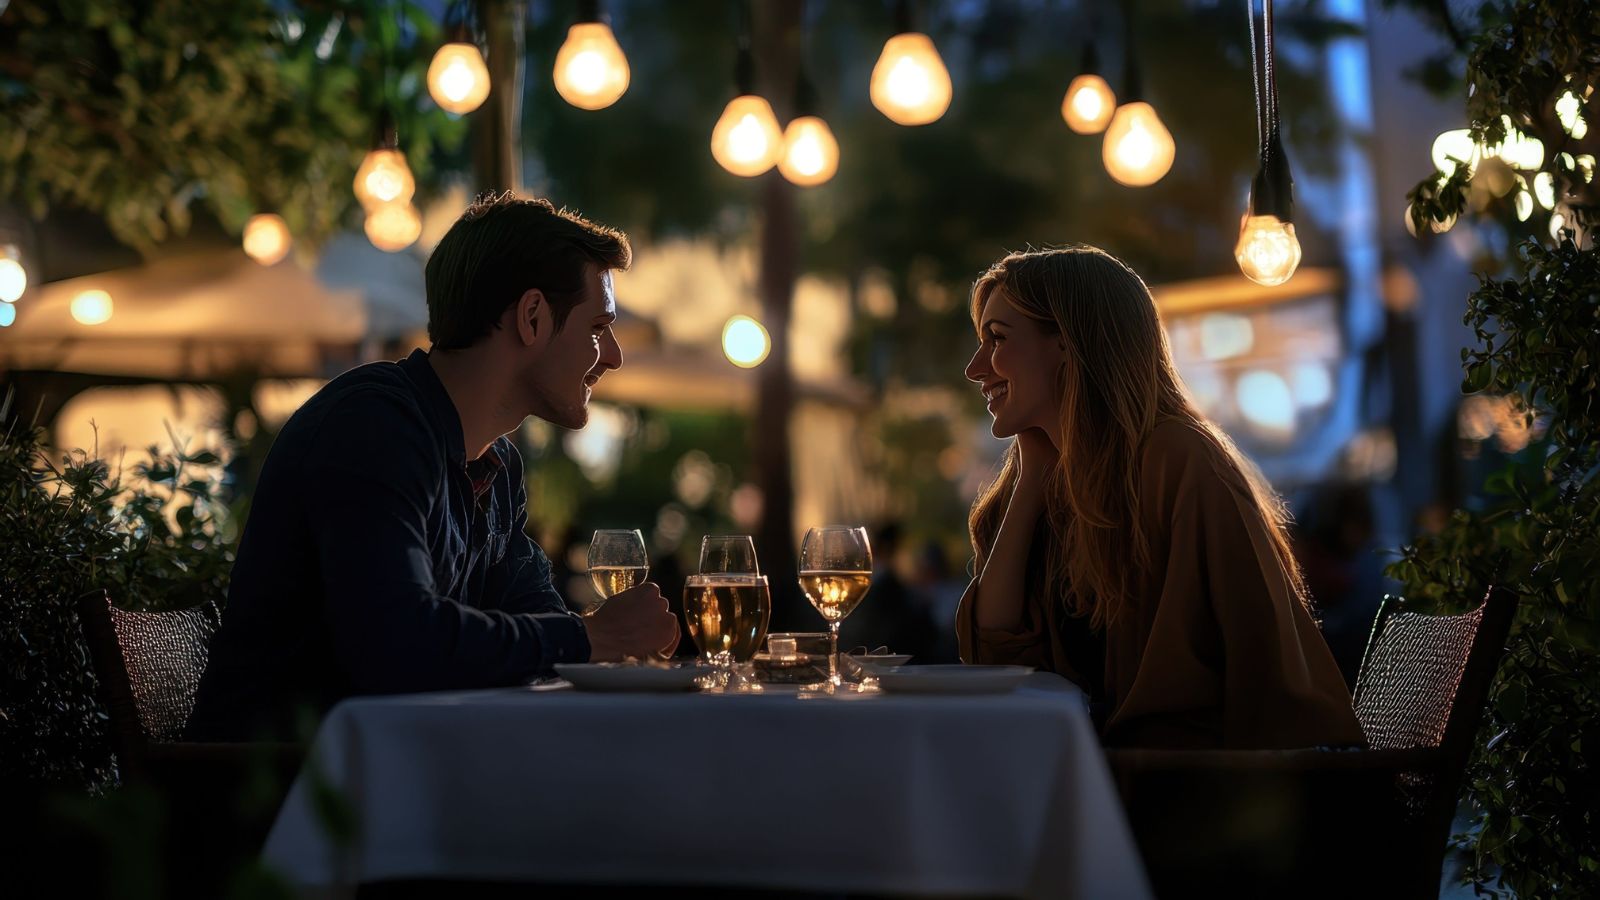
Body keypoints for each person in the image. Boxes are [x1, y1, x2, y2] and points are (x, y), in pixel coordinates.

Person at [188, 194, 679, 741]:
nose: (612, 356)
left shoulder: (495, 466)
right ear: (533, 317)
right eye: (597, 328)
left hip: (396, 772)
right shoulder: (373, 427)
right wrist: (592, 641)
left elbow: (540, 630)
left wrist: (591, 642)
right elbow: (397, 644)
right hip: (285, 796)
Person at [957, 247, 1362, 750]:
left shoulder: (1178, 459)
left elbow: (1237, 683)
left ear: (1067, 342)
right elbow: (996, 659)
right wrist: (1031, 476)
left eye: (996, 339)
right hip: (1114, 779)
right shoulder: (1050, 483)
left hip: (1205, 794)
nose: (976, 368)